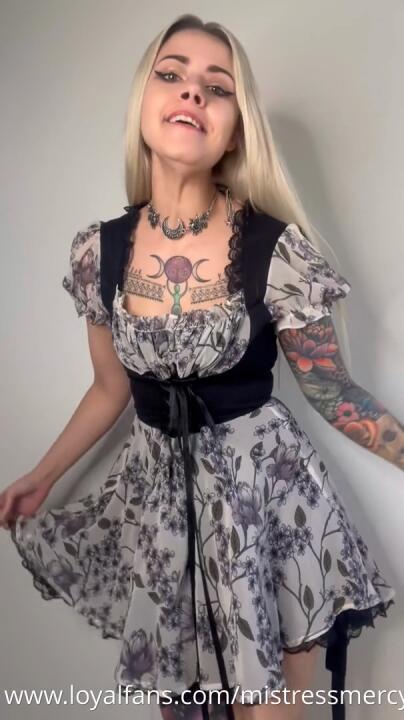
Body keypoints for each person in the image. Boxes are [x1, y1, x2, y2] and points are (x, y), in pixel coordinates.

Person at [0, 12, 400, 720]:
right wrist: (43, 475)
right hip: (161, 515)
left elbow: (332, 392)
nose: (192, 93)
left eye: (218, 88)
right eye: (173, 75)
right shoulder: (100, 252)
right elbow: (110, 387)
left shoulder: (277, 250)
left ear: (236, 129)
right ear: (144, 101)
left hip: (266, 509)